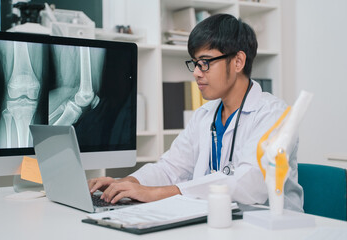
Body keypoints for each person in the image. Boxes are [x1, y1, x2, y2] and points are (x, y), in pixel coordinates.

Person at [88, 14, 303, 212]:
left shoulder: (275, 115)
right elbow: (171, 168)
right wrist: (129, 183)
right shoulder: (204, 115)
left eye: (206, 63)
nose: (197, 73)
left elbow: (250, 184)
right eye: (195, 64)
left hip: (267, 227)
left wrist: (159, 193)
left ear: (238, 61)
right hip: (213, 222)